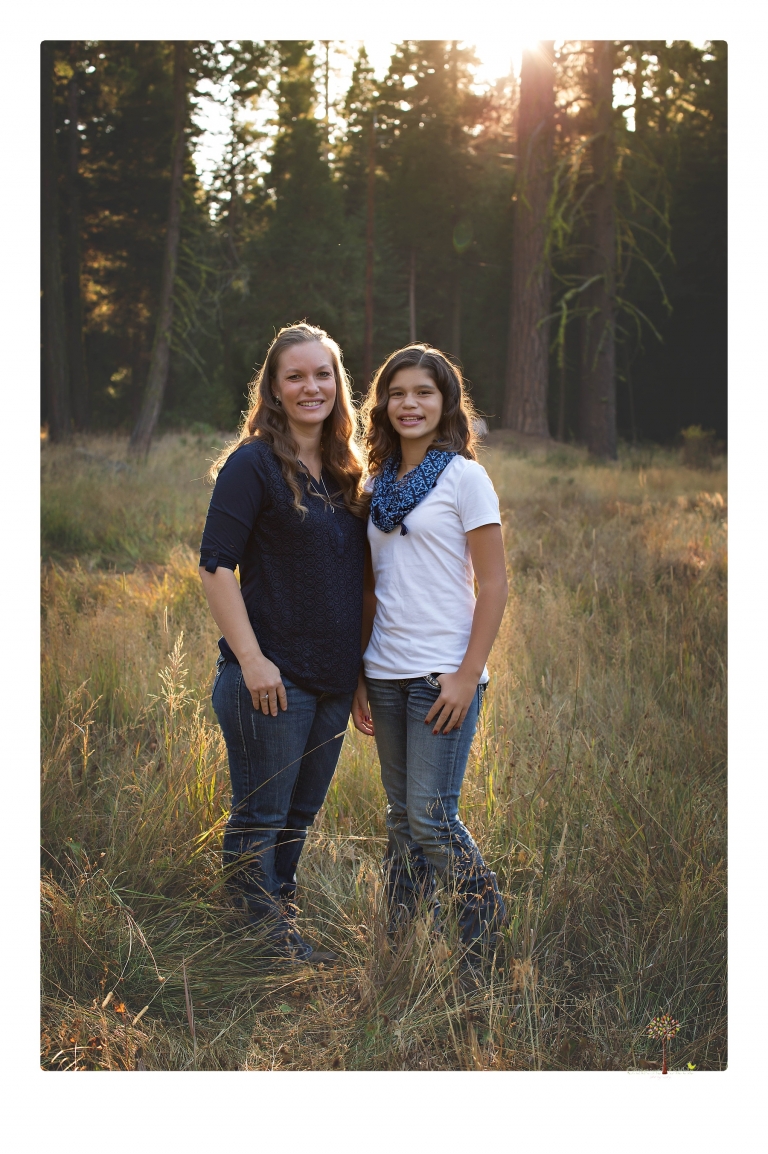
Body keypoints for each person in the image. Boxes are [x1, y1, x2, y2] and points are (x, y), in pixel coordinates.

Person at [199, 322, 368, 964]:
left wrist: (355, 677)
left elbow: (353, 584)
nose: (310, 387)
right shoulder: (253, 464)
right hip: (271, 680)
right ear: (272, 387)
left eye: (322, 375)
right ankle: (257, 946)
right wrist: (252, 661)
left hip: (329, 680)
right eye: (295, 376)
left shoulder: (347, 472)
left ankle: (276, 925)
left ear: (338, 385)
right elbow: (216, 566)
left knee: (297, 817)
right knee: (261, 816)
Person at [352, 344, 509, 979]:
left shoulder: (465, 478)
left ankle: (484, 937)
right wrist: (361, 674)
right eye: (397, 393)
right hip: (385, 672)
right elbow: (369, 587)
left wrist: (468, 675)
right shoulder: (374, 483)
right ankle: (403, 940)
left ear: (445, 403)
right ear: (382, 405)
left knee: (432, 815)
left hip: (442, 675)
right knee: (399, 817)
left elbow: (494, 584)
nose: (409, 404)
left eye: (423, 392)